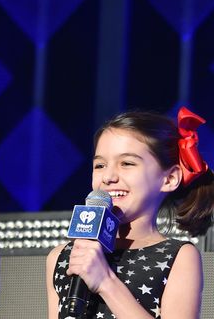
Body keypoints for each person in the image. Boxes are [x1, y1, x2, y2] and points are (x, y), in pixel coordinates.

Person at [46, 107, 214, 318]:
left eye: (126, 163)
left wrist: (106, 282)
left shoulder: (179, 257)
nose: (108, 176)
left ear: (169, 179)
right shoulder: (62, 257)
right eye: (100, 165)